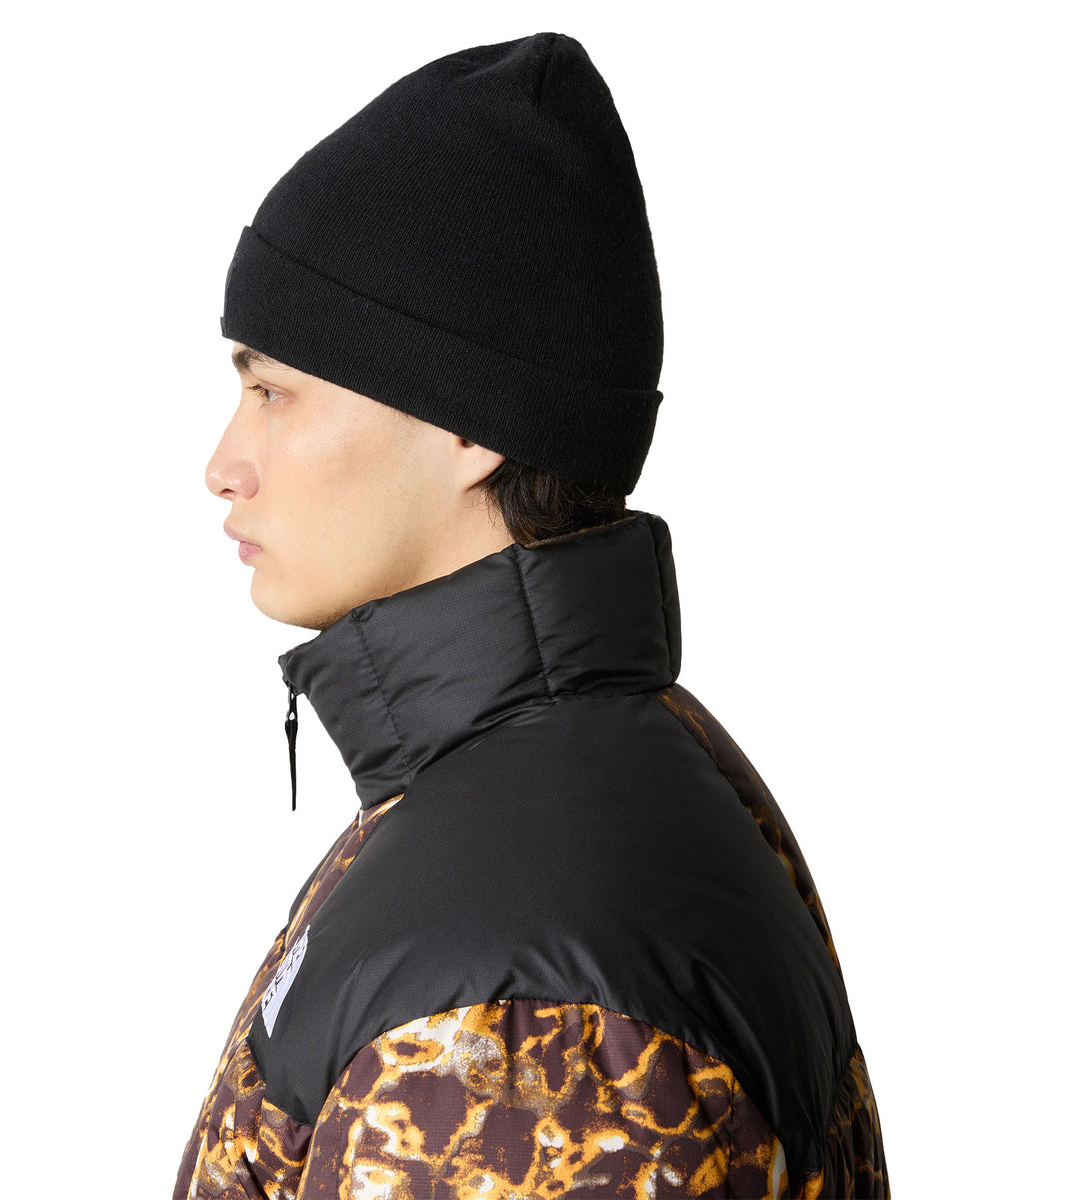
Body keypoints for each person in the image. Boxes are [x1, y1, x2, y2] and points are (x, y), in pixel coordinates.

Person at [175, 31, 889, 1200]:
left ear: (470, 423)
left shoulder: (521, 1023)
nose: (224, 464)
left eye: (273, 393)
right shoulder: (578, 780)